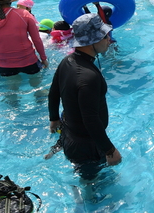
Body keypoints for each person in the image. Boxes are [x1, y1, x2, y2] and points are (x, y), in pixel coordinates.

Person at [48, 13, 121, 179]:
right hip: (86, 146)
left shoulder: (67, 61)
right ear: (92, 41)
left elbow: (54, 92)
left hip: (68, 133)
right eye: (104, 36)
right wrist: (110, 151)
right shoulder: (89, 77)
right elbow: (91, 120)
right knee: (94, 185)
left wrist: (53, 119)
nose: (109, 39)